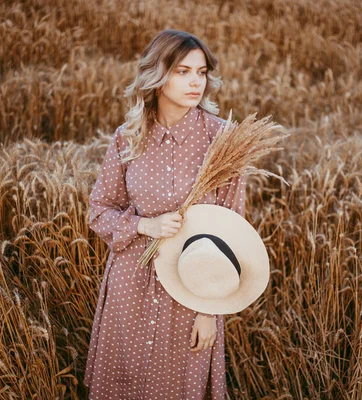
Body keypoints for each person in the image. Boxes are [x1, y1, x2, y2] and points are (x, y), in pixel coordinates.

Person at [83, 29, 247, 400]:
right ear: (158, 76)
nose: (195, 83)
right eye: (183, 71)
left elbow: (232, 228)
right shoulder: (128, 137)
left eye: (201, 72)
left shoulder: (222, 140)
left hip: (191, 291)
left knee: (179, 386)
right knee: (125, 385)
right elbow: (98, 211)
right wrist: (144, 224)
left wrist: (209, 311)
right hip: (131, 287)